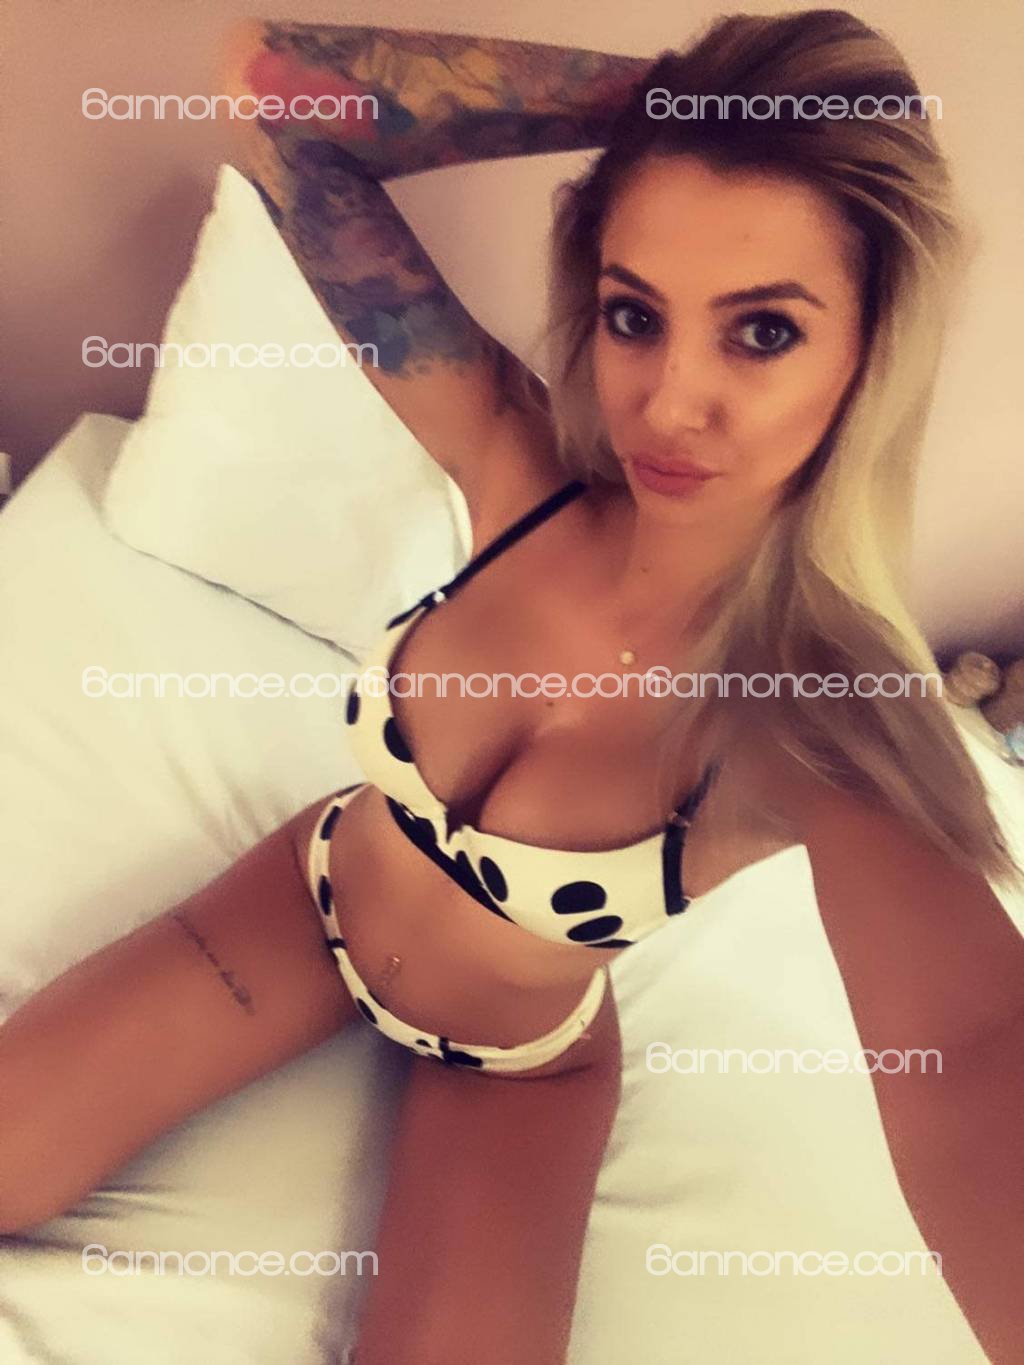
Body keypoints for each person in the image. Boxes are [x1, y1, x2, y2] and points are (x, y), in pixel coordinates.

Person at [2, 11, 1022, 1364]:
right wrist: (675, 107)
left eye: (763, 331)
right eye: (634, 315)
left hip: (514, 1067)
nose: (671, 400)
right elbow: (278, 89)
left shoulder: (818, 714)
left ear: (870, 350)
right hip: (297, 906)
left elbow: (972, 1050)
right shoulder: (518, 469)